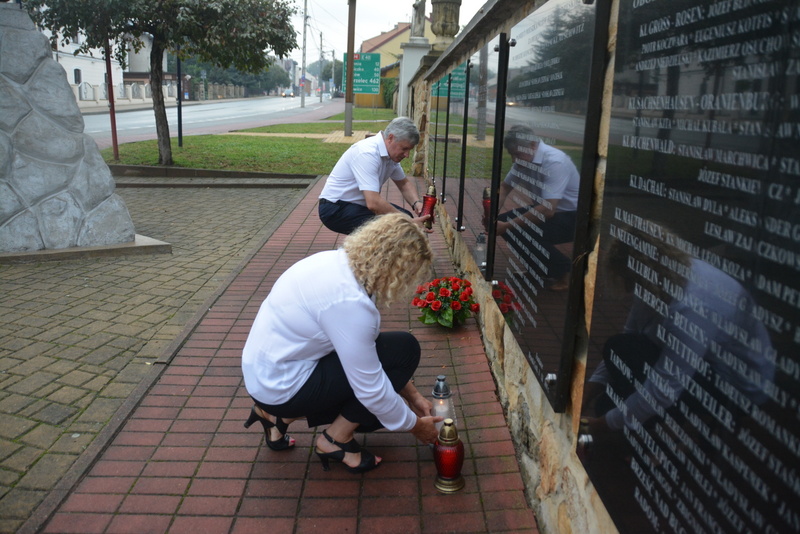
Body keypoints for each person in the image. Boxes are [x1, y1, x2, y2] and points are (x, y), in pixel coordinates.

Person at [241, 213, 442, 473]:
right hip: (281, 386)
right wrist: (415, 425)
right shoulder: (351, 306)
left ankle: (275, 417)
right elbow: (371, 391)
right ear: (395, 269)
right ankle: (335, 439)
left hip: (265, 373)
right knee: (402, 355)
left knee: (395, 350)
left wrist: (413, 396)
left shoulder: (331, 262)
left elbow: (366, 353)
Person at [491, 124, 580, 290]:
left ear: (533, 145)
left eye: (517, 154)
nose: (514, 160)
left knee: (516, 228)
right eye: (511, 155)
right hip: (550, 211)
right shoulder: (524, 160)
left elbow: (548, 210)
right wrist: (492, 214)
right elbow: (505, 187)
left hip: (573, 217)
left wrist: (507, 226)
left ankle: (567, 272)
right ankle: (538, 269)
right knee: (504, 222)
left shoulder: (555, 162)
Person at [319, 116, 429, 235]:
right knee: (400, 228)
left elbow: (404, 184)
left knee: (405, 219)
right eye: (404, 148)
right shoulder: (367, 153)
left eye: (409, 150)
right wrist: (409, 223)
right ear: (390, 138)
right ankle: (361, 252)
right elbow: (373, 203)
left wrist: (416, 203)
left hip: (357, 205)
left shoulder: (390, 154)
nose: (407, 155)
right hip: (335, 208)